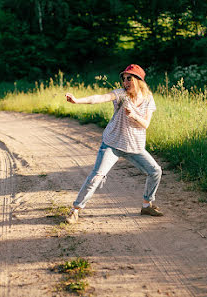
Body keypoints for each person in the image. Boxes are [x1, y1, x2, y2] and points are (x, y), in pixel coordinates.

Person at [64, 64, 163, 224]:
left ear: (138, 80)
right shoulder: (121, 94)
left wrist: (134, 116)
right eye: (124, 79)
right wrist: (77, 101)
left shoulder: (148, 99)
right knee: (96, 176)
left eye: (129, 78)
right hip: (113, 144)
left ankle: (147, 204)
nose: (126, 82)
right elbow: (99, 98)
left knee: (155, 171)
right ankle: (75, 210)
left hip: (134, 146)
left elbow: (145, 124)